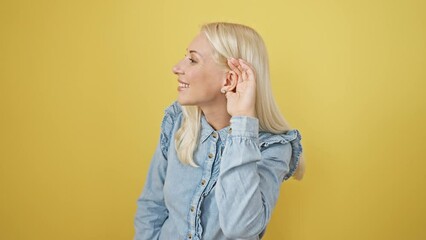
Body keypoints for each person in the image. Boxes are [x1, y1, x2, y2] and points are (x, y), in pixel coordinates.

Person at [134, 22, 305, 240]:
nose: (177, 68)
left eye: (193, 60)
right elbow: (152, 206)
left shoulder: (274, 148)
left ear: (230, 79)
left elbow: (240, 228)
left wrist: (243, 122)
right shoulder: (177, 122)